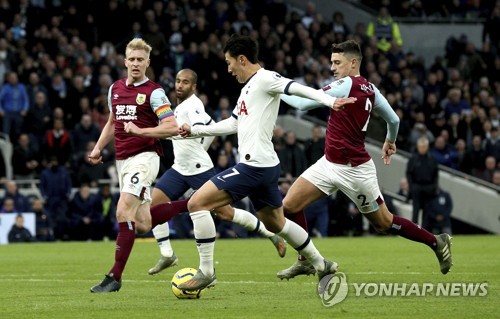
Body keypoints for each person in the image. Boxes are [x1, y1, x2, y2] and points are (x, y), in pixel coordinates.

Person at [176, 34, 356, 292]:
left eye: (229, 63)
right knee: (276, 223)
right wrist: (194, 131)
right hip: (266, 166)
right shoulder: (248, 88)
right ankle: (320, 263)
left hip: (253, 167)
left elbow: (295, 87)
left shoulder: (265, 79)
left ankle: (206, 271)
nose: (228, 69)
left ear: (241, 59)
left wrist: (329, 101)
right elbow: (233, 123)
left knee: (197, 203)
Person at [279, 40, 452, 279]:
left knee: (383, 223)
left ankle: (436, 241)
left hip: (356, 170)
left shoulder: (346, 84)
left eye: (337, 62)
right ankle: (306, 259)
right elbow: (394, 120)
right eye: (331, 62)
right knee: (289, 205)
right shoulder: (371, 88)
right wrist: (390, 140)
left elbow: (301, 103)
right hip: (329, 164)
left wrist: (276, 86)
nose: (332, 68)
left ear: (353, 63)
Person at [143, 68, 287, 275]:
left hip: (199, 169)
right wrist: (201, 146)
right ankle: (167, 255)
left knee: (225, 213)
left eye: (185, 82)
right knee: (153, 204)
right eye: (177, 81)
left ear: (194, 86)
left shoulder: (193, 105)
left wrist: (189, 142)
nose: (179, 85)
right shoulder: (181, 106)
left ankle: (271, 234)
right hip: (180, 168)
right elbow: (211, 124)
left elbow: (201, 126)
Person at [88, 38, 178, 293]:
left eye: (141, 60)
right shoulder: (115, 88)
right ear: (125, 61)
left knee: (122, 210)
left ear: (148, 63)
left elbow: (170, 127)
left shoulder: (154, 92)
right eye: (132, 59)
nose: (136, 63)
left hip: (145, 157)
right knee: (143, 223)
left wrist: (140, 131)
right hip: (122, 160)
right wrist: (97, 148)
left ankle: (114, 277)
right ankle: (195, 205)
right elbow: (112, 122)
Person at [406, 136, 439, 229]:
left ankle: (425, 230)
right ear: (418, 147)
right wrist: (412, 186)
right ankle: (413, 230)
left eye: (424, 146)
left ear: (427, 147)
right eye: (420, 146)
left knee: (427, 210)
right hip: (416, 187)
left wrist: (434, 186)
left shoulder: (432, 159)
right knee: (415, 210)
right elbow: (409, 173)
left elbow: (435, 175)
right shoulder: (413, 159)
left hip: (428, 187)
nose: (422, 148)